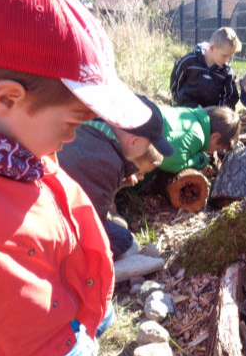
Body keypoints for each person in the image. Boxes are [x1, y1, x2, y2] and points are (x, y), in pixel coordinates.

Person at [0, 0, 152, 356]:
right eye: (70, 123)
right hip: (42, 346)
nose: (72, 138)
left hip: (66, 300)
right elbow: (16, 317)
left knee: (101, 320)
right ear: (8, 99)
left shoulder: (19, 154)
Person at [58, 95, 172, 260]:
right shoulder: (109, 162)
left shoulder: (86, 125)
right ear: (134, 141)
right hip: (63, 224)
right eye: (149, 144)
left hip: (52, 208)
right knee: (123, 238)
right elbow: (93, 219)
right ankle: (84, 267)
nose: (149, 148)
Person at [170, 27, 242, 110]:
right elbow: (176, 81)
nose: (227, 60)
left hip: (210, 115)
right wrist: (177, 99)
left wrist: (220, 113)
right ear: (212, 48)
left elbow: (230, 97)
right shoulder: (189, 62)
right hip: (186, 110)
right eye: (224, 56)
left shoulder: (226, 73)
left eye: (230, 56)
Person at [157, 105, 241, 174]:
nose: (214, 151)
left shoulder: (190, 113)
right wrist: (199, 160)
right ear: (215, 136)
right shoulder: (197, 136)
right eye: (218, 148)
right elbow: (169, 162)